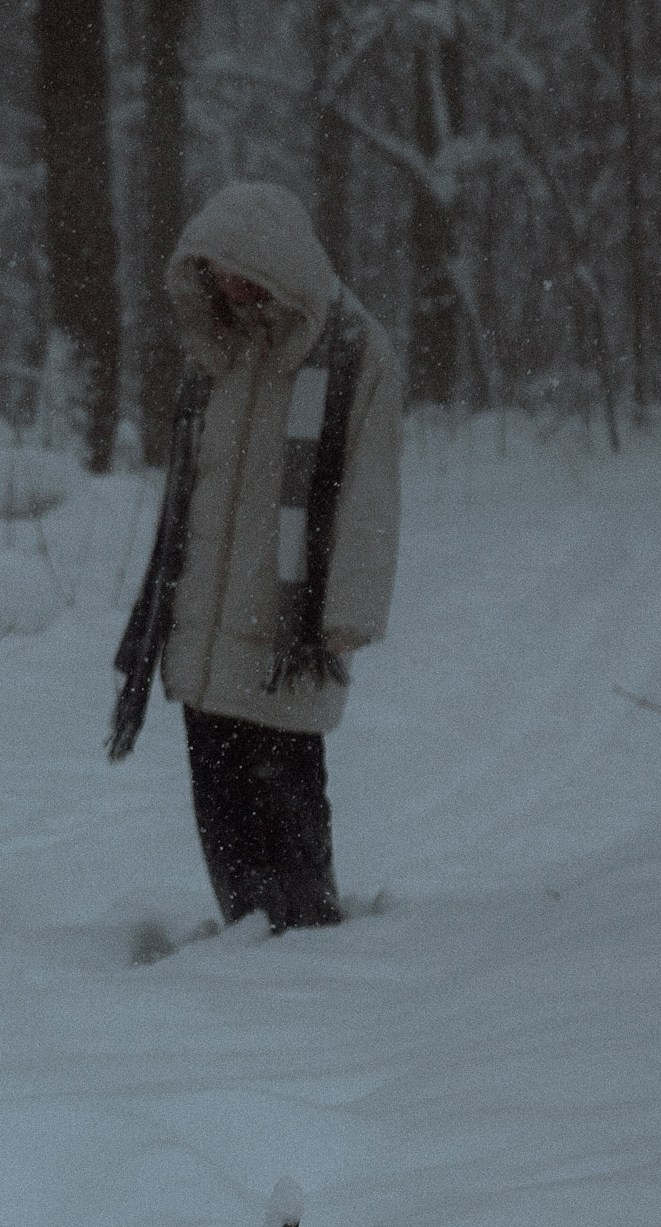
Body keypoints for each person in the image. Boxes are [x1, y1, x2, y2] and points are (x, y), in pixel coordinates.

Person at [108, 181, 401, 934]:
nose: (227, 287)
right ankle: (242, 944)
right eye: (211, 272)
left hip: (285, 640)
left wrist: (350, 612)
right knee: (222, 818)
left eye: (237, 270)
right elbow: (191, 494)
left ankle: (305, 949)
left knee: (288, 814)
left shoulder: (353, 352)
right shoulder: (217, 352)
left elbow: (370, 490)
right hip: (204, 632)